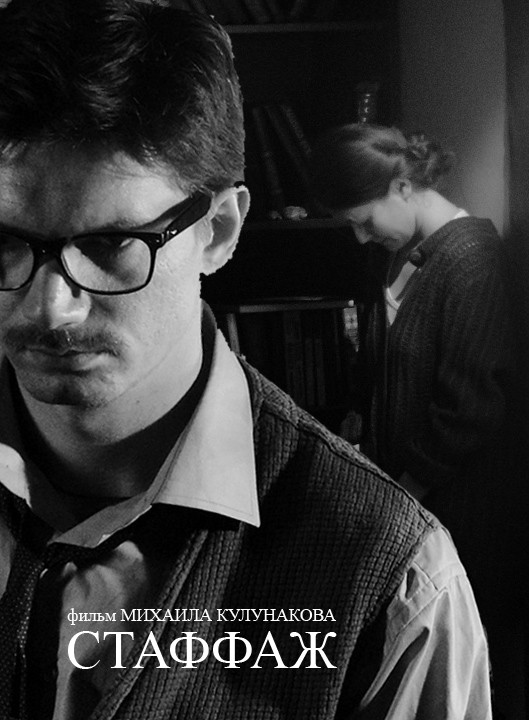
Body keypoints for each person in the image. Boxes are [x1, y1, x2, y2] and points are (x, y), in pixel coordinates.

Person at [0, 2, 492, 719]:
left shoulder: (390, 574)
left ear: (220, 230)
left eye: (110, 244)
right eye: (4, 243)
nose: (52, 308)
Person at [311, 123, 522, 711]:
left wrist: (405, 492)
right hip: (410, 503)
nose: (360, 236)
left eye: (363, 219)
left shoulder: (472, 261)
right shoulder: (405, 257)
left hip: (455, 513)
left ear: (403, 186)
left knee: (458, 670)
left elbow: (470, 409)